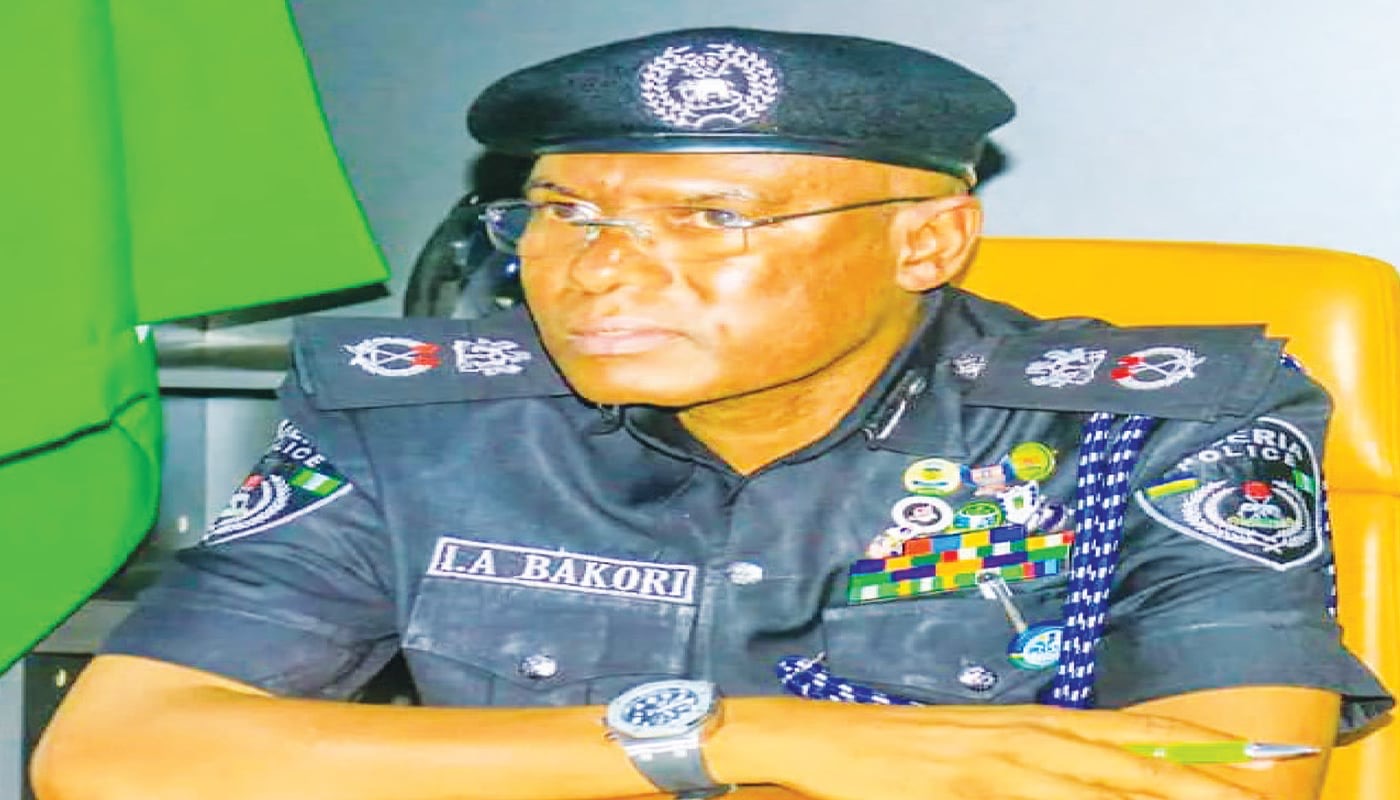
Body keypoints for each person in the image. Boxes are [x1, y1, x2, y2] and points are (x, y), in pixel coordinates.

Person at [32, 26, 1391, 800]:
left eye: (712, 219)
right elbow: (114, 752)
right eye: (563, 213)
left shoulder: (1162, 419)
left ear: (928, 241)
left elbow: (1241, 768)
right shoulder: (416, 417)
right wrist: (739, 735)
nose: (598, 272)